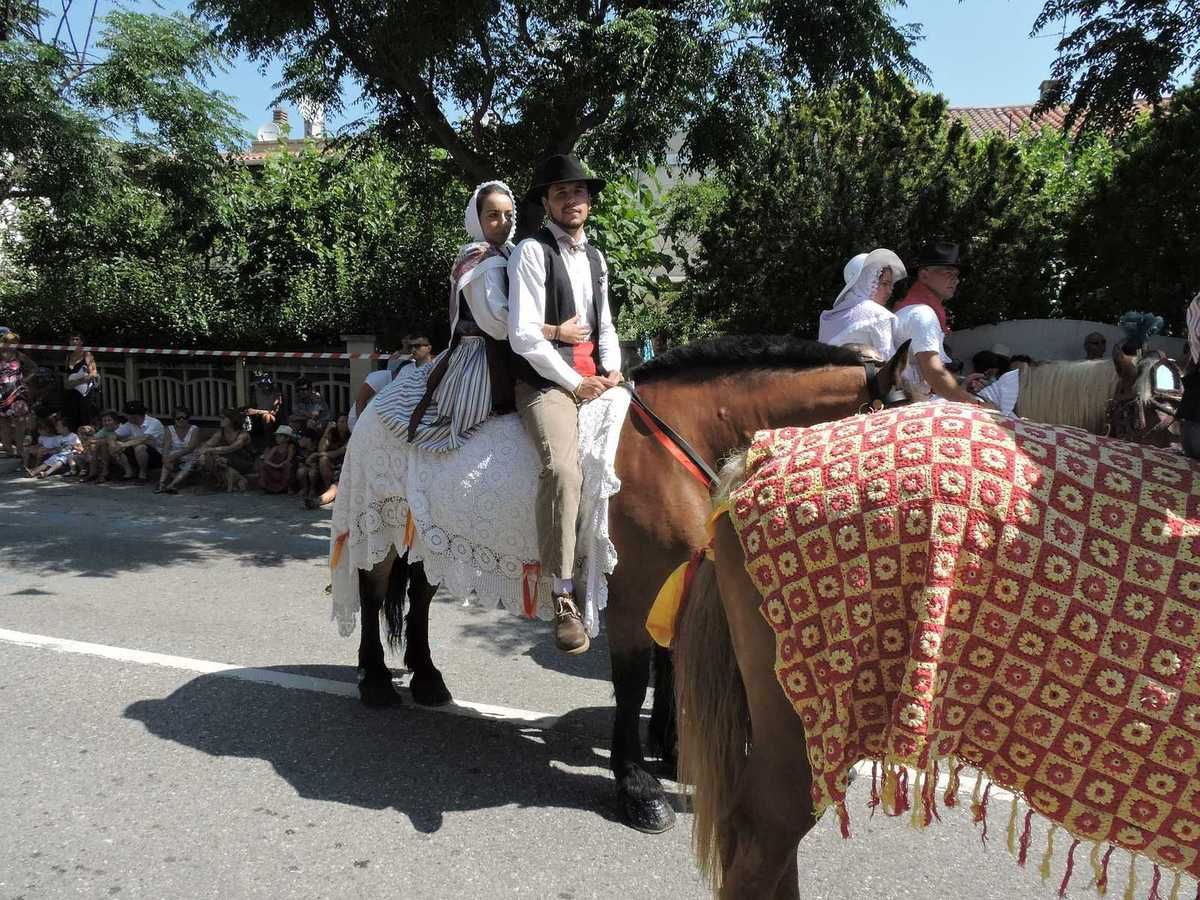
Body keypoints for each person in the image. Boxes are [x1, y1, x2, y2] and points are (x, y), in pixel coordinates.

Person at [507, 154, 623, 655]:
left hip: (595, 377)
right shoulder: (530, 252)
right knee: (563, 471)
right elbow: (523, 336)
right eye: (561, 193)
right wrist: (577, 383)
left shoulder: (596, 257)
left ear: (589, 200)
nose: (571, 199)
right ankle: (562, 593)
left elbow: (606, 327)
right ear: (547, 202)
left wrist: (612, 370)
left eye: (578, 191)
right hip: (547, 383)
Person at [893, 242, 984, 405]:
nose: (956, 280)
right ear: (924, 275)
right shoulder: (922, 313)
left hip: (911, 398)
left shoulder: (914, 309)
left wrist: (961, 382)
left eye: (956, 275)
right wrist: (976, 405)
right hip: (909, 403)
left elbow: (926, 373)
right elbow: (935, 374)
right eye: (948, 273)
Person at [817, 248, 906, 360]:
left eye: (891, 285)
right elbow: (889, 362)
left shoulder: (832, 316)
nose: (889, 292)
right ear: (866, 282)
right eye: (884, 284)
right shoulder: (878, 314)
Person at [300, 414, 350, 508]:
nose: (344, 424)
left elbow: (340, 451)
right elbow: (321, 449)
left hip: (345, 467)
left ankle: (317, 501)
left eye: (346, 421)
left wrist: (316, 455)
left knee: (335, 487)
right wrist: (327, 431)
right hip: (333, 466)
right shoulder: (332, 434)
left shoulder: (352, 435)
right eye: (342, 422)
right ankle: (320, 497)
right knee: (323, 460)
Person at [0, 331, 35, 458]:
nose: (12, 345)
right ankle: (9, 451)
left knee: (20, 422)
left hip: (18, 392)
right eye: (10, 342)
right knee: (3, 422)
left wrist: (24, 380)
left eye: (15, 343)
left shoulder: (19, 355)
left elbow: (34, 368)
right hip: (1, 392)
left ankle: (20, 452)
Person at [113, 400, 165, 481]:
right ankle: (129, 473)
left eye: (127, 415)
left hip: (157, 456)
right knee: (117, 444)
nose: (125, 417)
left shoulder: (154, 423)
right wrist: (113, 444)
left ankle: (143, 474)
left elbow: (143, 439)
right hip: (137, 455)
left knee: (140, 447)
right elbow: (114, 434)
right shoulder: (130, 423)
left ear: (134, 416)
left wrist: (123, 444)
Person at [155, 407, 201, 493]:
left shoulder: (194, 429)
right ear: (174, 418)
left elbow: (190, 448)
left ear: (188, 418)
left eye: (184, 418)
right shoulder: (169, 429)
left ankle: (172, 485)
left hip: (189, 455)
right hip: (174, 456)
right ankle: (161, 483)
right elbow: (166, 447)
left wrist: (173, 456)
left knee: (189, 464)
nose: (181, 420)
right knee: (167, 458)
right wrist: (164, 459)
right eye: (178, 418)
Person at [25, 414, 80, 478]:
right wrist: (50, 451)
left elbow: (79, 447)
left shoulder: (73, 436)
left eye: (58, 426)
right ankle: (33, 473)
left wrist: (72, 447)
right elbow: (57, 448)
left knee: (59, 461)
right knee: (46, 463)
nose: (56, 427)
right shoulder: (59, 437)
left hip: (68, 455)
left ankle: (46, 473)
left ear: (65, 428)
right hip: (59, 454)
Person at [63, 334, 98, 431]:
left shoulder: (87, 354)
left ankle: (88, 436)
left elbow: (93, 372)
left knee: (85, 415)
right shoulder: (68, 356)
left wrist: (78, 381)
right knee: (72, 415)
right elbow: (66, 374)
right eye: (72, 339)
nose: (74, 341)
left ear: (81, 342)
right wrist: (67, 383)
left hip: (85, 390)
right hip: (71, 390)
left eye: (77, 339)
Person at [244, 373, 285, 447]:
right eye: (263, 385)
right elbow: (253, 405)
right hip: (257, 415)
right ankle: (249, 444)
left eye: (268, 385)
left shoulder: (276, 393)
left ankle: (268, 445)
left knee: (266, 417)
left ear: (271, 385)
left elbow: (274, 412)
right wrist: (248, 410)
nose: (266, 387)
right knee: (245, 416)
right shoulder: (257, 392)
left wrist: (257, 411)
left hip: (272, 416)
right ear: (260, 385)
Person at [255, 425, 298, 494]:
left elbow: (289, 458)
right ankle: (268, 487)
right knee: (264, 465)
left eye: (280, 436)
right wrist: (276, 466)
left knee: (288, 465)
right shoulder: (275, 448)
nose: (277, 438)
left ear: (287, 438)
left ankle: (288, 487)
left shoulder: (290, 446)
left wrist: (282, 464)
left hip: (284, 467)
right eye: (277, 436)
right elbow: (266, 460)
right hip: (276, 468)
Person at [85, 410, 122, 482]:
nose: (107, 423)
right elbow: (91, 440)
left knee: (102, 443)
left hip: (122, 451)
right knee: (97, 444)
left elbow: (113, 441)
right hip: (108, 452)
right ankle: (93, 472)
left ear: (115, 421)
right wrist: (88, 452)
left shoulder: (121, 428)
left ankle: (101, 472)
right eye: (104, 421)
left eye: (109, 420)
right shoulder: (104, 430)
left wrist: (100, 441)